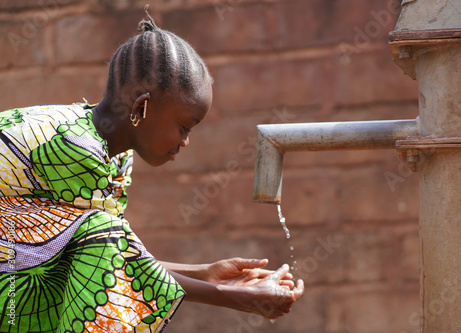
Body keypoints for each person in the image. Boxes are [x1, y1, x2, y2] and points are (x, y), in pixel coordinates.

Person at [0, 8, 304, 333]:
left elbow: (103, 254)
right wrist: (232, 297)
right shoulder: (77, 148)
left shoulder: (114, 158)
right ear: (141, 107)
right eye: (184, 127)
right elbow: (105, 253)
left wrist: (205, 273)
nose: (185, 142)